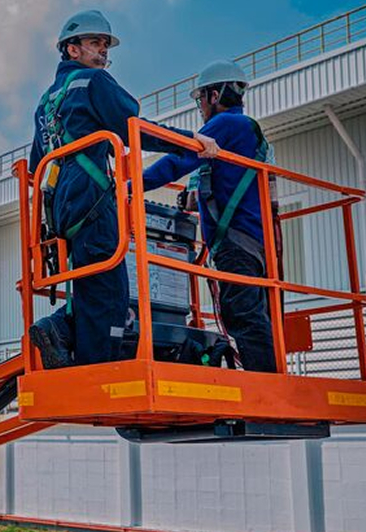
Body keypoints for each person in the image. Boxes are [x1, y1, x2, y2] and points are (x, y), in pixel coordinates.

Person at [28, 10, 219, 368]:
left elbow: (39, 160)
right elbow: (134, 126)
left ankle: (58, 330)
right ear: (72, 50)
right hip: (92, 199)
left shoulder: (44, 103)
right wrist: (190, 141)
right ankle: (96, 370)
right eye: (94, 43)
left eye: (105, 45)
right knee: (110, 290)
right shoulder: (94, 83)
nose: (102, 51)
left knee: (88, 282)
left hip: (60, 208)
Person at [141, 59, 276, 372]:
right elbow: (225, 177)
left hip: (236, 242)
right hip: (252, 240)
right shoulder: (247, 131)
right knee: (250, 312)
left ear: (215, 95)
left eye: (201, 98)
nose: (200, 106)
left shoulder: (227, 124)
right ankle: (268, 384)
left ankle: (266, 391)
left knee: (242, 313)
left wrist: (128, 185)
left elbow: (179, 159)